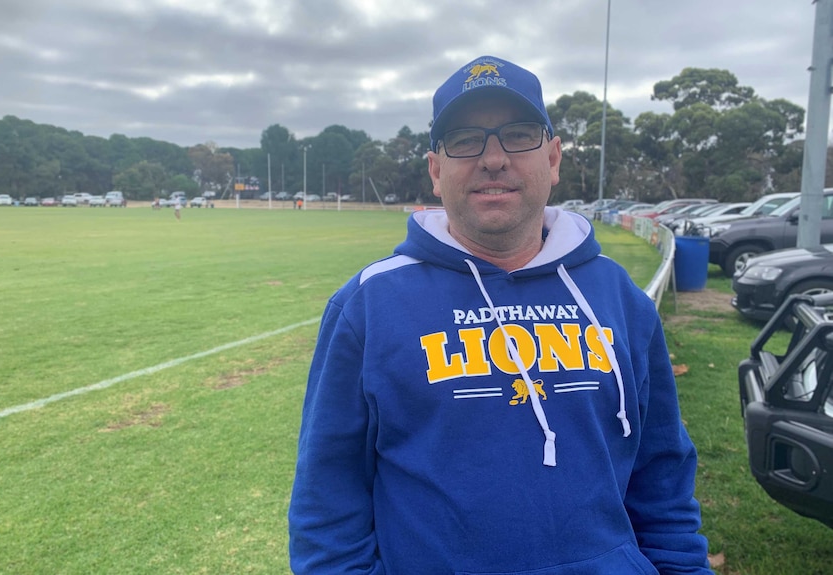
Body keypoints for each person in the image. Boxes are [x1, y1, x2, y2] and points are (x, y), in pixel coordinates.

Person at [288, 55, 712, 574]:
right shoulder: (368, 305)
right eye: (466, 139)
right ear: (436, 170)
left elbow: (662, 477)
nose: (493, 159)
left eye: (518, 134)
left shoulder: (617, 296)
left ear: (553, 159)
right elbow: (327, 504)